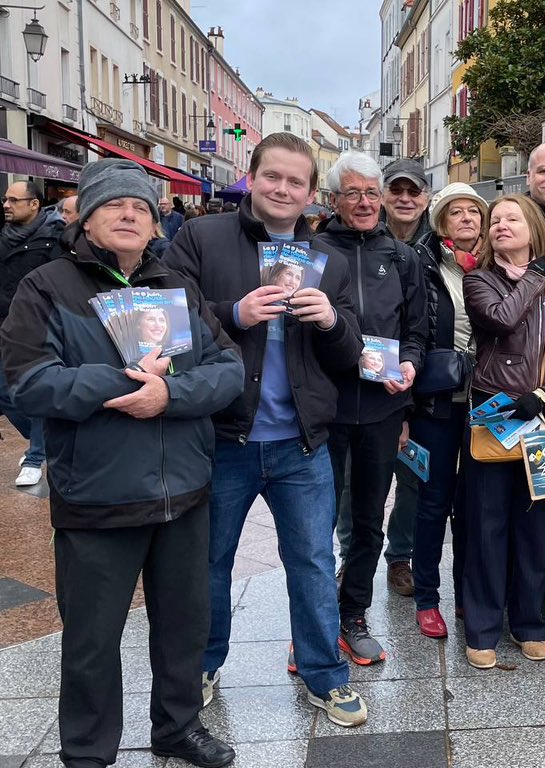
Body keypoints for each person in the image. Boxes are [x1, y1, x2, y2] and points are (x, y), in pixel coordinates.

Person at [1, 158, 244, 768]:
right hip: (98, 493)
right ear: (84, 215)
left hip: (184, 489)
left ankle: (177, 728)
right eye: (113, 204)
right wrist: (118, 382)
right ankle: (87, 750)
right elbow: (27, 383)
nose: (130, 213)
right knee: (91, 638)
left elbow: (229, 370)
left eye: (140, 205)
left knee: (183, 626)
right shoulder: (49, 286)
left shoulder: (174, 287)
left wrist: (171, 395)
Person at [163, 133, 368, 728]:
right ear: (250, 178)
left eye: (296, 182)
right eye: (272, 177)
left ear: (310, 193)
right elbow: (168, 325)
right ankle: (203, 665)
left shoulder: (324, 254)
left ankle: (324, 675)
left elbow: (350, 350)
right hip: (224, 438)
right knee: (211, 563)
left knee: (309, 561)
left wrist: (331, 320)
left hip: (302, 444)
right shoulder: (202, 238)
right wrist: (234, 314)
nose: (283, 189)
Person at [461, 193, 545, 670]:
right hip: (495, 416)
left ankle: (529, 621)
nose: (500, 226)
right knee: (487, 526)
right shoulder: (480, 280)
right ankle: (482, 627)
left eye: (511, 218)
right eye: (495, 221)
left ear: (533, 227)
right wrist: (536, 275)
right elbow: (501, 318)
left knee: (536, 527)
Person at [312, 150, 428, 666]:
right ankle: (312, 623)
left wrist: (410, 366)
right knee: (312, 524)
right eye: (352, 192)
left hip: (382, 408)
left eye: (370, 192)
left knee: (366, 520)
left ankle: (353, 612)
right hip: (323, 408)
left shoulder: (402, 258)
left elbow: (416, 331)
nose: (363, 202)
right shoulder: (311, 250)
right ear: (333, 199)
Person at [407, 181, 485, 638]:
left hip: (485, 403)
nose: (467, 219)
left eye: (474, 211)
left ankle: (466, 593)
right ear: (442, 222)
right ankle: (426, 597)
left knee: (474, 506)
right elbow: (410, 328)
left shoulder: (497, 263)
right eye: (456, 212)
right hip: (436, 401)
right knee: (433, 502)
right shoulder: (423, 264)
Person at [0, 180, 62, 486]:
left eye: (14, 200)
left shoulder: (54, 237)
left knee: (35, 386)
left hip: (38, 325)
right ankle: (45, 438)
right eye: (5, 199)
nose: (7, 205)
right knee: (6, 392)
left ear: (34, 204)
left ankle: (36, 455)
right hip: (3, 324)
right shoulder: (3, 235)